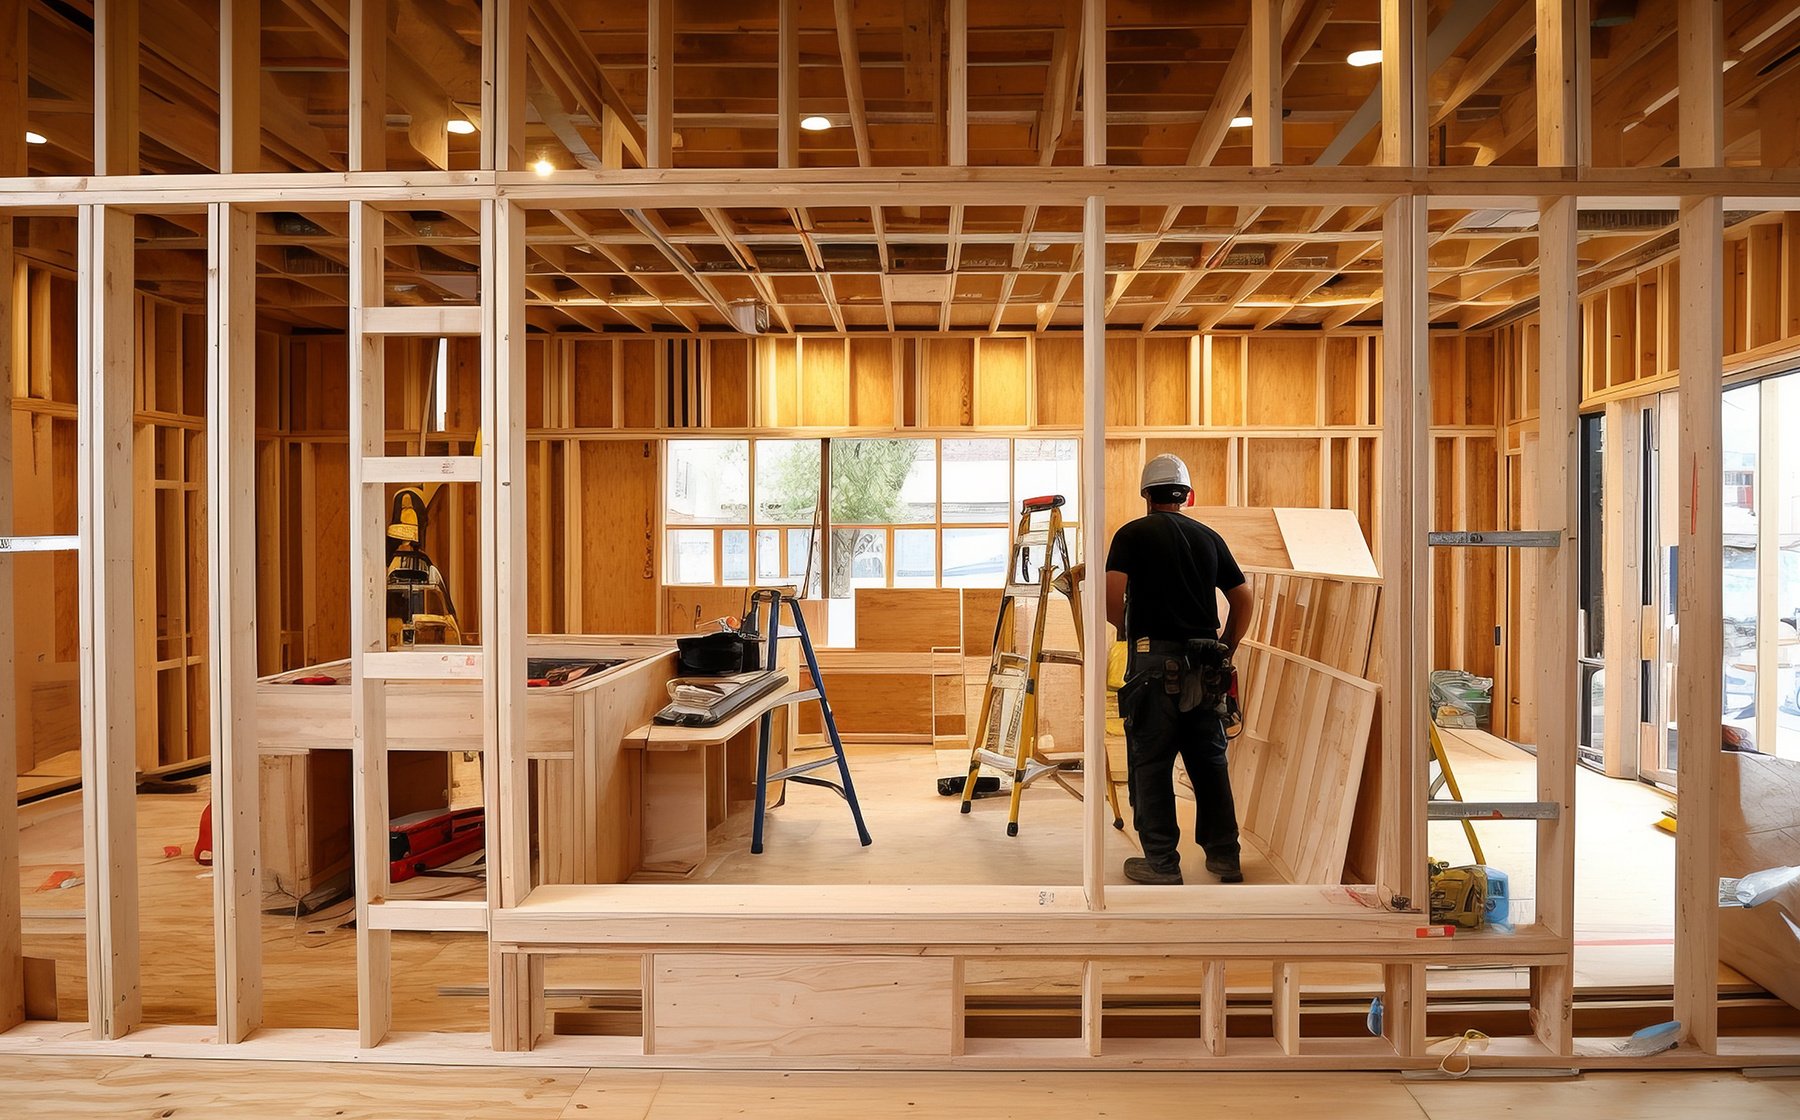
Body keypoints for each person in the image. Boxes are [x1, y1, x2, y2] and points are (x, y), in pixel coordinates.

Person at [1105, 453, 1254, 885]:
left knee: (1150, 763)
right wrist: (1226, 646)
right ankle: (1225, 856)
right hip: (1205, 669)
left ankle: (1162, 863)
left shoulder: (1131, 535)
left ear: (1146, 495)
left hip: (1153, 666)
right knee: (1209, 762)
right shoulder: (1209, 538)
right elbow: (1243, 599)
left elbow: (1113, 596)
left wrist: (1128, 629)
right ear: (1187, 495)